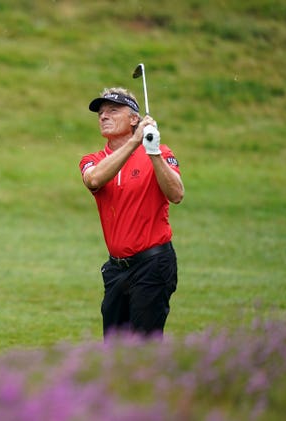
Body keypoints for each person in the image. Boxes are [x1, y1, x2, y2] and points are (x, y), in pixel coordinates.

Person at [79, 87, 184, 338]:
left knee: (143, 349)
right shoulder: (92, 159)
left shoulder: (160, 153)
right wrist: (135, 141)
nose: (104, 116)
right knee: (114, 350)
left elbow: (176, 194)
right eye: (101, 113)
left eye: (113, 111)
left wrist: (154, 152)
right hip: (116, 270)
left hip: (152, 264)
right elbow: (93, 180)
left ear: (134, 118)